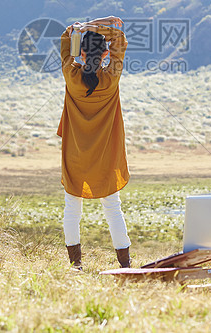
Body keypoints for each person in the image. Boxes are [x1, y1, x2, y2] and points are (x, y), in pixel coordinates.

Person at [57, 15, 131, 270]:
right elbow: (120, 38)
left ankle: (75, 265)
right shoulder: (111, 79)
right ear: (105, 54)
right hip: (105, 157)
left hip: (75, 155)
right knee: (113, 210)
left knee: (71, 209)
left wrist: (78, 30)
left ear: (82, 54)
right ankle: (125, 265)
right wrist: (95, 29)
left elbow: (66, 40)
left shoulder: (71, 76)